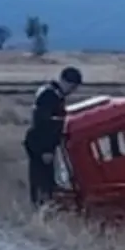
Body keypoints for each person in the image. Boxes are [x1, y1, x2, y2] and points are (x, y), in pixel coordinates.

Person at [23, 66, 82, 206]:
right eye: (71, 87)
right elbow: (43, 124)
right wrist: (46, 149)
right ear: (64, 81)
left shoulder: (52, 93)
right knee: (42, 181)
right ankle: (40, 209)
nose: (72, 91)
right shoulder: (49, 96)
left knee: (46, 180)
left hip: (40, 143)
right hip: (41, 145)